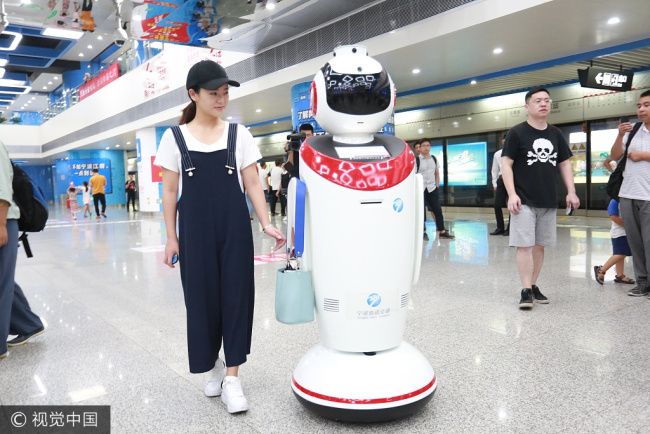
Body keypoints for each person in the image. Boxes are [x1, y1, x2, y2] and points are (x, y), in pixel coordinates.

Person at [154, 60, 286, 413]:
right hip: (194, 232)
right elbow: (170, 192)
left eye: (225, 93)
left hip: (234, 230)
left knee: (237, 298)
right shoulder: (174, 138)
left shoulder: (238, 135)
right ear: (193, 94)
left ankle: (233, 378)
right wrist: (171, 237)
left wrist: (266, 222)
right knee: (201, 301)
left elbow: (253, 182)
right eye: (214, 93)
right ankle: (212, 364)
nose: (221, 99)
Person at [501, 87, 580, 309]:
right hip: (523, 199)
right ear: (527, 106)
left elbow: (564, 164)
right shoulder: (517, 132)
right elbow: (506, 164)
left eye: (547, 100)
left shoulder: (556, 134)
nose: (543, 103)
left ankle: (533, 284)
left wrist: (571, 191)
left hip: (548, 199)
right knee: (524, 245)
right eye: (538, 101)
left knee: (539, 246)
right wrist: (512, 194)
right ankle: (525, 289)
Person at [0, 141, 45, 360]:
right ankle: (29, 324)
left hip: (3, 220)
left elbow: (2, 187)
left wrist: (1, 224)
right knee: (4, 280)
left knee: (1, 283)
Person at [608, 90, 650, 297]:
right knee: (635, 242)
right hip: (627, 194)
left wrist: (643, 155)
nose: (641, 109)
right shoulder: (632, 131)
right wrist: (619, 135)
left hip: (648, 196)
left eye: (647, 105)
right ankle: (642, 282)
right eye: (639, 105)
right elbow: (614, 155)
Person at [417, 139, 454, 240]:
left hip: (432, 188)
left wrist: (437, 185)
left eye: (428, 145)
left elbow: (436, 172)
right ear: (420, 148)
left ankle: (442, 231)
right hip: (421, 189)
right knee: (422, 212)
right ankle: (422, 232)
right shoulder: (417, 160)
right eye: (424, 145)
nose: (426, 147)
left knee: (437, 210)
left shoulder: (434, 158)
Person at [593, 198, 635, 286]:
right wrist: (628, 225)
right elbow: (613, 217)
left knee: (620, 254)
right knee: (621, 254)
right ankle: (601, 270)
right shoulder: (615, 201)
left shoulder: (626, 200)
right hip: (619, 233)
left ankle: (620, 275)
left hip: (624, 232)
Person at [491, 134, 510, 235]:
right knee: (497, 204)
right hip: (501, 180)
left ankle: (510, 229)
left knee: (512, 204)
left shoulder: (516, 152)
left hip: (513, 180)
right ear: (502, 141)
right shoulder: (497, 154)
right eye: (504, 140)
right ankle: (500, 228)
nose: (505, 142)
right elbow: (494, 170)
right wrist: (494, 183)